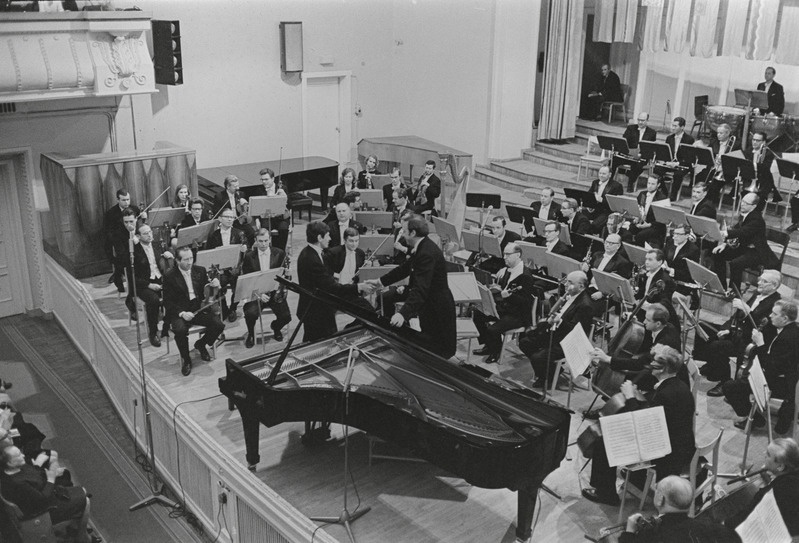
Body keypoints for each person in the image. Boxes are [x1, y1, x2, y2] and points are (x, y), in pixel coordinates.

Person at [582, 347, 695, 506]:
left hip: (668, 452)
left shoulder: (666, 393)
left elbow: (644, 425)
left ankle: (606, 494)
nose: (650, 364)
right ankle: (637, 479)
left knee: (604, 443)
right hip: (680, 442)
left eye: (654, 362)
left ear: (662, 369)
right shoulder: (678, 385)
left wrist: (629, 397)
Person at [369, 216, 457, 359]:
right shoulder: (422, 247)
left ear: (413, 233)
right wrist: (380, 282)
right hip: (429, 304)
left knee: (438, 351)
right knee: (429, 346)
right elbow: (404, 269)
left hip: (437, 308)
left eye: (404, 231)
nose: (402, 234)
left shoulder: (426, 253)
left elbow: (420, 289)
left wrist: (402, 314)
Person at [694, 269, 781, 395]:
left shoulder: (775, 303)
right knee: (708, 333)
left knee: (718, 347)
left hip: (753, 342)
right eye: (760, 280)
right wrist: (728, 329)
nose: (759, 283)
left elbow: (762, 327)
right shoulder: (758, 293)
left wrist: (747, 309)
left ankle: (726, 383)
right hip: (740, 334)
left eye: (764, 281)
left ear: (774, 286)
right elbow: (740, 317)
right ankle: (715, 370)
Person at [722, 300, 799, 434]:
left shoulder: (787, 338)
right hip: (780, 376)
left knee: (730, 387)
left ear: (785, 318)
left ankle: (756, 419)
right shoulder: (789, 329)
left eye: (775, 314)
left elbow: (772, 368)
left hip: (780, 383)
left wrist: (760, 343)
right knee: (742, 378)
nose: (770, 316)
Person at [0, 446, 96, 543]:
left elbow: (31, 475)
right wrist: (51, 479)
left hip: (46, 496)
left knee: (79, 489)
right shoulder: (18, 483)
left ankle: (74, 528)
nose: (23, 455)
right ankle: (83, 538)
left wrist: (42, 469)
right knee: (85, 500)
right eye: (19, 455)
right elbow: (42, 500)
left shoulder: (13, 470)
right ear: (10, 463)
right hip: (42, 511)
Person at [297, 221, 372, 342]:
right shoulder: (312, 259)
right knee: (324, 344)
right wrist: (359, 287)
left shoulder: (309, 253)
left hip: (317, 307)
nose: (330, 238)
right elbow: (330, 287)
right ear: (319, 237)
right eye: (327, 235)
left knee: (315, 343)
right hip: (316, 311)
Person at [519, 271, 594, 389]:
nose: (565, 284)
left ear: (581, 286)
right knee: (525, 342)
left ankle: (546, 378)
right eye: (566, 281)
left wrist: (560, 321)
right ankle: (550, 371)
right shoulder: (570, 295)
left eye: (570, 282)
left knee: (537, 357)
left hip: (569, 342)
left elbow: (575, 331)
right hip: (557, 333)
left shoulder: (585, 305)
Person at [162, 246, 225, 376]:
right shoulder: (169, 276)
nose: (190, 262)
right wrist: (182, 313)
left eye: (191, 258)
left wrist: (215, 286)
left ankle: (201, 344)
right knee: (180, 330)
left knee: (219, 325)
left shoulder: (200, 270)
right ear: (178, 261)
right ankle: (186, 359)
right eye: (186, 259)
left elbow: (208, 292)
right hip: (179, 311)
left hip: (198, 308)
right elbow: (167, 302)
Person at [591, 304, 682, 393]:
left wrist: (608, 359)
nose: (644, 322)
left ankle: (621, 404)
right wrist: (634, 322)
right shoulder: (665, 326)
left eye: (647, 320)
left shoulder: (665, 342)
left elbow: (640, 364)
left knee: (620, 379)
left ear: (658, 323)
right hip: (655, 367)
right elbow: (645, 336)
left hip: (660, 377)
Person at [621, 476, 741, 543]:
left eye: (657, 490)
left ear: (659, 499)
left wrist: (629, 532)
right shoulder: (711, 528)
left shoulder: (650, 536)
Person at [472, 242, 536, 364]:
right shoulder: (508, 269)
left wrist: (509, 297)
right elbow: (502, 289)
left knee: (492, 329)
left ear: (517, 255)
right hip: (505, 308)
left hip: (518, 315)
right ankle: (488, 345)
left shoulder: (525, 276)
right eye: (504, 254)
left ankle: (495, 352)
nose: (504, 257)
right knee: (477, 313)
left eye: (508, 254)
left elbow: (526, 302)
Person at [725, 438, 799, 536]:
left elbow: (745, 516)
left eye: (768, 454)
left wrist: (725, 524)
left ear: (780, 467)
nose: (764, 454)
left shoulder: (770, 493)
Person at [712, 192, 777, 291]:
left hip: (757, 252)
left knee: (736, 263)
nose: (742, 204)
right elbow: (737, 228)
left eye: (746, 203)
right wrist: (724, 244)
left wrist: (725, 233)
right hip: (744, 248)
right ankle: (721, 286)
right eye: (742, 201)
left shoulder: (756, 219)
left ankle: (735, 291)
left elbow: (742, 232)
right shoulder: (745, 214)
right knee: (718, 253)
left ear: (754, 206)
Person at [240, 228, 291, 347]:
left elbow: (286, 279)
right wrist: (258, 294)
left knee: (286, 317)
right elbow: (247, 281)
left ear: (270, 240)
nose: (263, 244)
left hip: (274, 292)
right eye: (260, 241)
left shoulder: (279, 253)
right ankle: (251, 334)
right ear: (255, 241)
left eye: (266, 241)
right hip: (256, 293)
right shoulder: (248, 257)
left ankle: (276, 327)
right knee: (250, 313)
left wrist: (288, 275)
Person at [130, 224, 173, 347]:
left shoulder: (157, 245)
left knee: (175, 293)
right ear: (138, 236)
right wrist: (149, 285)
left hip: (159, 278)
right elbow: (133, 278)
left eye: (150, 232)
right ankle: (153, 332)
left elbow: (163, 264)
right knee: (154, 301)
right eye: (145, 233)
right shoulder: (135, 251)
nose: (150, 235)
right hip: (144, 284)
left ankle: (170, 323)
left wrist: (168, 254)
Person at [207, 208, 249, 322]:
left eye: (232, 217)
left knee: (239, 287)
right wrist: (216, 270)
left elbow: (245, 255)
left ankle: (233, 309)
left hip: (235, 269)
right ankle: (224, 308)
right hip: (220, 270)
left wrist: (244, 251)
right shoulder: (213, 236)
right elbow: (210, 255)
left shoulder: (239, 233)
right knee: (215, 286)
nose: (230, 219)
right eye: (227, 217)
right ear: (220, 218)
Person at [103, 188, 142, 293]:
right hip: (118, 239)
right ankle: (118, 277)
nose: (127, 202)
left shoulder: (134, 209)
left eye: (128, 199)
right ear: (118, 200)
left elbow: (139, 223)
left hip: (133, 236)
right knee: (123, 256)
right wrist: (119, 238)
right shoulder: (111, 213)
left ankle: (137, 280)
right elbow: (108, 232)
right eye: (124, 200)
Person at [582, 233, 633, 310]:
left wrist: (603, 294)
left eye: (611, 243)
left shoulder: (623, 263)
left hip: (606, 295)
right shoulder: (597, 255)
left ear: (618, 246)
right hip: (589, 288)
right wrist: (585, 269)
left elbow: (619, 286)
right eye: (606, 242)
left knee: (585, 307)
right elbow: (589, 275)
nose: (607, 245)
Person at [618, 113, 657, 192]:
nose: (640, 122)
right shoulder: (631, 128)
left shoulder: (652, 133)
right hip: (629, 154)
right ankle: (609, 181)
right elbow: (624, 142)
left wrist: (641, 153)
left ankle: (630, 184)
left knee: (637, 165)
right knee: (614, 159)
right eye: (639, 120)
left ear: (647, 121)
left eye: (642, 120)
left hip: (642, 156)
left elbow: (650, 148)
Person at [255, 167, 290, 251]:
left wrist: (285, 197)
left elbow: (290, 205)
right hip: (266, 218)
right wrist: (256, 219)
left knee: (283, 228)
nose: (264, 182)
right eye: (262, 179)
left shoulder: (282, 188)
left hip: (281, 218)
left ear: (273, 179)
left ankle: (280, 252)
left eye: (266, 179)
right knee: (264, 230)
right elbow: (256, 207)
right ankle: (267, 252)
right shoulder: (259, 190)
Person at [706, 124, 742, 202]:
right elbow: (708, 155)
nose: (718, 135)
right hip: (713, 168)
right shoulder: (714, 142)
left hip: (726, 172)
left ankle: (711, 203)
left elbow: (737, 160)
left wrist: (725, 160)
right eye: (718, 132)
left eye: (721, 133)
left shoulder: (736, 144)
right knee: (701, 180)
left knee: (715, 186)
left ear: (727, 133)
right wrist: (714, 159)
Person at [743, 131, 779, 207]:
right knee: (744, 195)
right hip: (749, 181)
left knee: (759, 199)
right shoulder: (748, 151)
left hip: (763, 183)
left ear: (763, 142)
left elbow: (766, 170)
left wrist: (759, 159)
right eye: (753, 139)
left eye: (758, 140)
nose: (754, 142)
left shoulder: (768, 154)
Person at [631, 176, 669, 248]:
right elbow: (638, 208)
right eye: (648, 183)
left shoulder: (662, 198)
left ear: (658, 185)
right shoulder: (642, 194)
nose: (649, 186)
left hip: (655, 226)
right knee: (628, 229)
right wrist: (636, 217)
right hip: (642, 221)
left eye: (653, 184)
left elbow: (662, 219)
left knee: (640, 236)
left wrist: (648, 225)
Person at [665, 117, 696, 200]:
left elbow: (689, 158)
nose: (673, 128)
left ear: (682, 127)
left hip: (683, 164)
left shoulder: (689, 139)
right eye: (672, 125)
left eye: (675, 126)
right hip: (670, 163)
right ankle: (664, 191)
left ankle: (673, 195)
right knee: (657, 169)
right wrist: (667, 162)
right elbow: (666, 153)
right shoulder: (669, 138)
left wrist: (677, 164)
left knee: (678, 174)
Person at [587, 165, 624, 233]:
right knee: (580, 219)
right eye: (600, 173)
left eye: (604, 174)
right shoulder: (595, 182)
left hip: (607, 211)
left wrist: (601, 200)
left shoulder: (617, 186)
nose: (601, 175)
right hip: (594, 209)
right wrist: (589, 206)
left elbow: (616, 205)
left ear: (610, 175)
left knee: (594, 225)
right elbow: (588, 196)